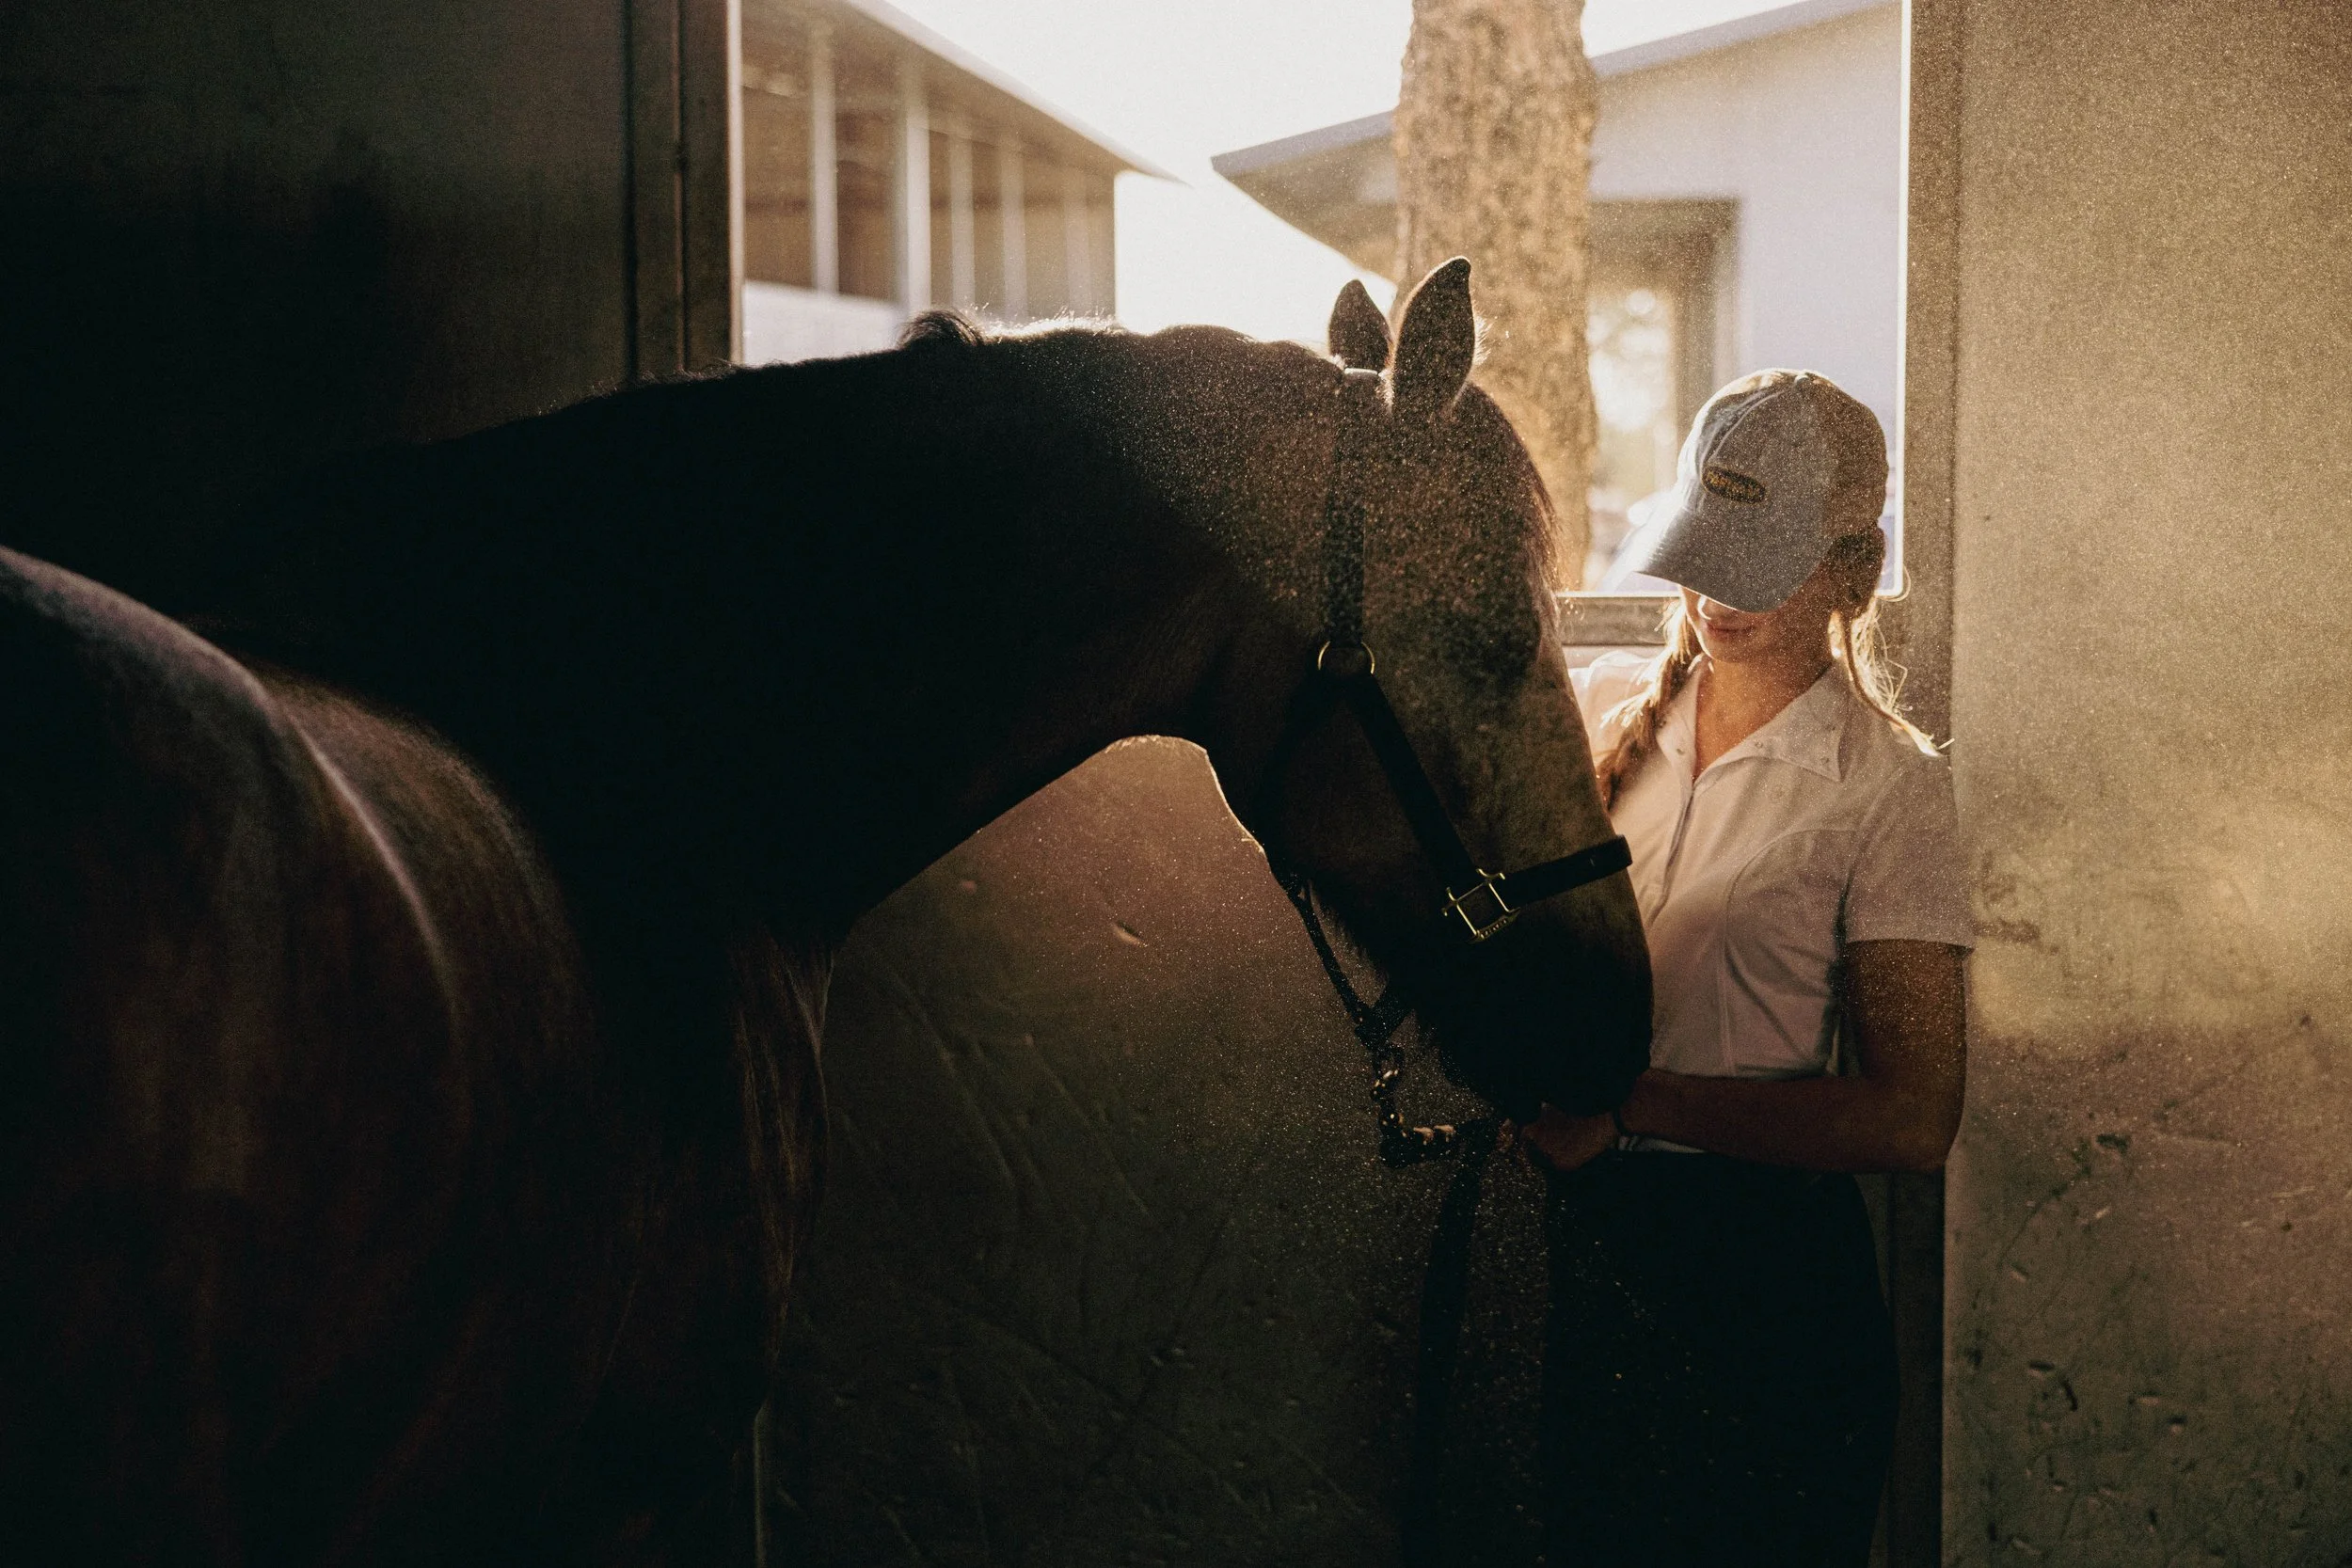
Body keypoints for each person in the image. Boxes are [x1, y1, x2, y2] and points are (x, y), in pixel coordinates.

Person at [1522, 369, 1973, 1566]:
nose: (1718, 592)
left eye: (1759, 560)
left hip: (1766, 1295)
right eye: (1706, 549)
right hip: (1584, 1265)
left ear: (1847, 568)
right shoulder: (1600, 715)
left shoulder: (1888, 792)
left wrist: (1631, 1106)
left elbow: (1914, 1115)